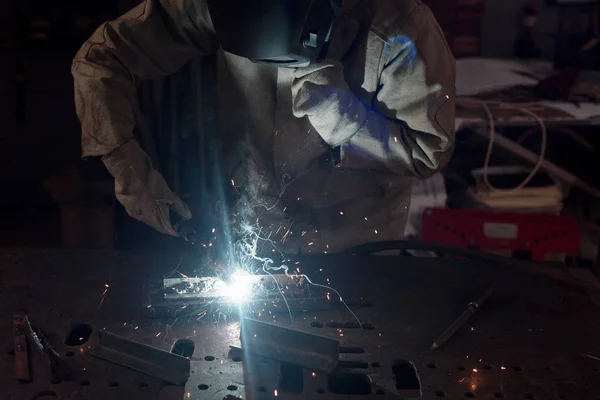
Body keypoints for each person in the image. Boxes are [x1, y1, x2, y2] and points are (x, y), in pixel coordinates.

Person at [72, 0, 455, 254]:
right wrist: (123, 162)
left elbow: (428, 150)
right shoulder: (214, 5)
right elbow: (104, 58)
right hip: (254, 236)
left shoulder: (401, 26)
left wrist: (347, 120)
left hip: (355, 248)